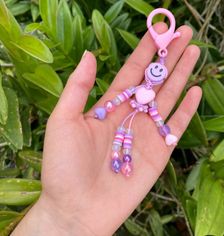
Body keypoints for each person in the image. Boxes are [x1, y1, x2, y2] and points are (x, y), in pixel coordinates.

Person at [11, 23, 202, 236]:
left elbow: (155, 115)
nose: (156, 71)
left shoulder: (146, 95)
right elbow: (122, 98)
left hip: (132, 118)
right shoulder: (137, 89)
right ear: (150, 72)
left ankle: (123, 160)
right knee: (120, 139)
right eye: (155, 69)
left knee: (124, 140)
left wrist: (163, 130)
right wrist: (108, 107)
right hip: (125, 119)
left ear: (160, 75)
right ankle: (120, 159)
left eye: (159, 71)